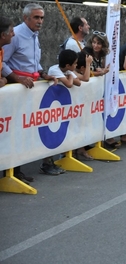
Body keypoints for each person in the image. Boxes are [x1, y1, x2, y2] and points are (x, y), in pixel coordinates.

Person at [2, 3, 64, 177]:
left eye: (42, 18)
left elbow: (34, 62)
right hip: (18, 89)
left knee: (36, 127)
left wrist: (44, 74)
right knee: (16, 130)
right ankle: (14, 171)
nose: (40, 21)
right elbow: (3, 63)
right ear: (25, 18)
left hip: (33, 86)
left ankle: (40, 163)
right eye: (36, 17)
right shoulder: (15, 35)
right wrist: (18, 78)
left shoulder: (35, 35)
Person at [0, 16, 14, 88]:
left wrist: (4, 80)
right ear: (3, 35)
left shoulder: (1, 51)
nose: (14, 34)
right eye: (11, 31)